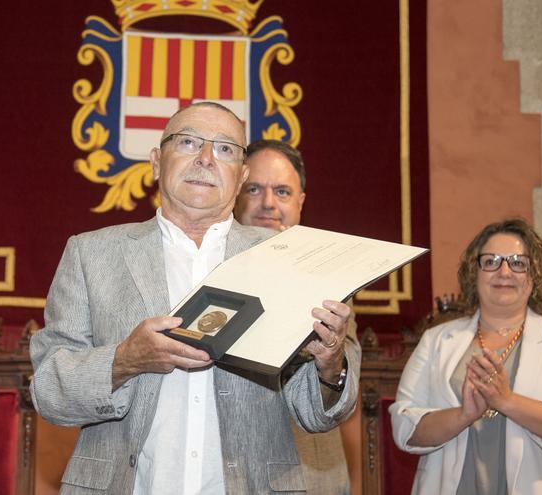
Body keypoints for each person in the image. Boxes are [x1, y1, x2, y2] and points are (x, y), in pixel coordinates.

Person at [31, 102, 359, 493]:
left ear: (241, 176)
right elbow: (48, 390)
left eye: (224, 149)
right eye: (188, 142)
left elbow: (316, 414)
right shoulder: (91, 254)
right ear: (156, 162)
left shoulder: (285, 259)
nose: (205, 158)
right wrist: (123, 361)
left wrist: (330, 364)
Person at [389, 218, 542, 494]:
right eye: (492, 261)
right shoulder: (437, 340)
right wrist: (463, 414)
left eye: (518, 262)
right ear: (475, 272)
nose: (504, 271)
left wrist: (507, 401)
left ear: (535, 275)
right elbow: (404, 427)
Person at [234, 139, 359, 494]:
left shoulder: (333, 282)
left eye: (283, 191)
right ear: (234, 196)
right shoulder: (205, 274)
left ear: (301, 202)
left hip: (308, 476)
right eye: (254, 188)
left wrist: (332, 364)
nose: (269, 203)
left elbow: (344, 393)